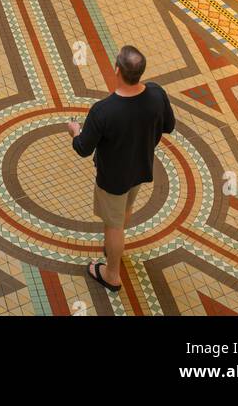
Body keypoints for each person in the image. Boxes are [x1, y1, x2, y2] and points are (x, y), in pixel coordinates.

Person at [67, 45, 176, 293]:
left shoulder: (103, 111)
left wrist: (75, 131)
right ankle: (114, 244)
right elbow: (169, 125)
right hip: (141, 167)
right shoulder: (157, 94)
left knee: (113, 225)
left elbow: (83, 148)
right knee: (124, 210)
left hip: (113, 178)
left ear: (117, 70)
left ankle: (112, 273)